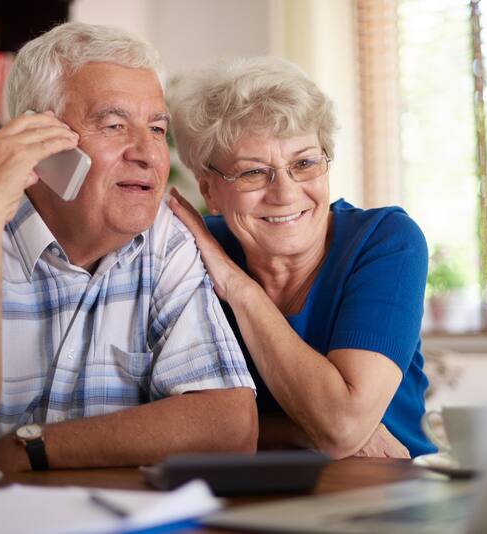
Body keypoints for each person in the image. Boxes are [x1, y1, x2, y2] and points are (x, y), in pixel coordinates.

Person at [0, 22, 257, 474]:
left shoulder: (166, 241)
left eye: (155, 128)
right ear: (41, 143)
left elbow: (229, 425)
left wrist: (30, 447)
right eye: (113, 125)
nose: (147, 153)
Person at [167, 56, 435, 458]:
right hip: (248, 499)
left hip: (390, 488)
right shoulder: (190, 251)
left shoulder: (385, 241)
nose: (285, 193)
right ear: (210, 191)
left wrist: (240, 289)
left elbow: (340, 426)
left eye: (304, 163)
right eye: (253, 172)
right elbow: (153, 413)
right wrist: (296, 431)